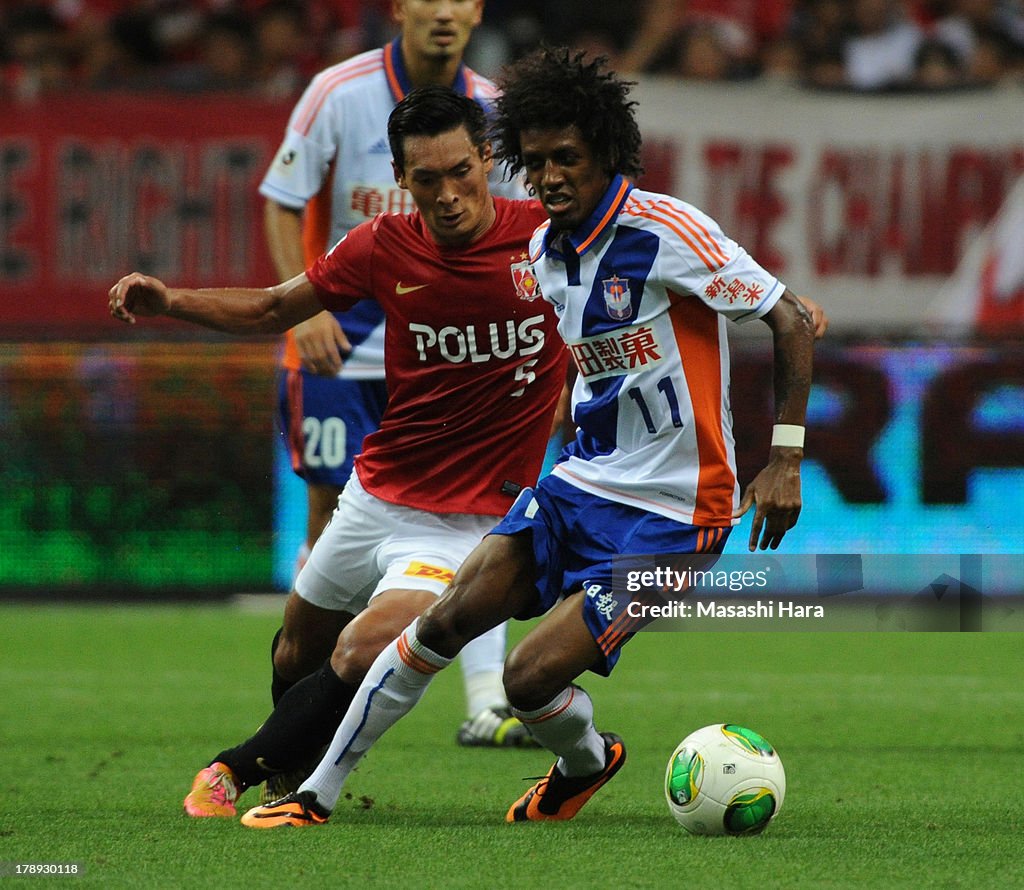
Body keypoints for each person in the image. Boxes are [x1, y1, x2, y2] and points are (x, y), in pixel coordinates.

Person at [237, 46, 818, 829]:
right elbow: (579, 365)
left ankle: (583, 763)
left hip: (677, 516)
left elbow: (789, 319)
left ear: (606, 152)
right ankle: (313, 797)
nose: (548, 178)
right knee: (438, 622)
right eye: (534, 161)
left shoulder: (667, 229)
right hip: (578, 488)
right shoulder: (543, 252)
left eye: (567, 159)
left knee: (526, 681)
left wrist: (785, 456)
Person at [109, 88, 567, 817]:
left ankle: (231, 770)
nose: (447, 195)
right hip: (376, 496)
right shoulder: (383, 245)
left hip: (466, 524)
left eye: (461, 172)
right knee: (296, 651)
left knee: (361, 649)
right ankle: (291, 773)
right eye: (426, 179)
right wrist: (172, 301)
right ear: (400, 177)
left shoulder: (550, 238)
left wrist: (761, 300)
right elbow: (270, 308)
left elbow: (653, 261)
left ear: (488, 160)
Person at [259, 0, 532, 750]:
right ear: (400, 8)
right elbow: (281, 202)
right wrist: (300, 310)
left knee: (480, 521)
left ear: (476, 11)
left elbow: (518, 235)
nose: (443, 13)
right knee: (330, 514)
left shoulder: (497, 114)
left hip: (454, 353)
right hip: (339, 345)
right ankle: (320, 693)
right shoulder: (337, 93)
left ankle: (486, 702)